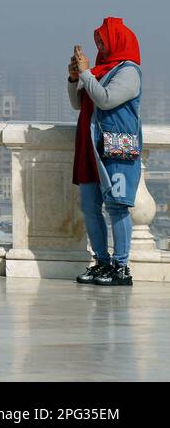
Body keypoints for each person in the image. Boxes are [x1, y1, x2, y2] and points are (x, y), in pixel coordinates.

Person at [67, 16, 143, 286]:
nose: (99, 45)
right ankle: (102, 262)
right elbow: (79, 103)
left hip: (116, 148)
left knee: (117, 206)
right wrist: (75, 77)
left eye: (103, 40)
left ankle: (121, 267)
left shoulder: (128, 71)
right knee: (90, 206)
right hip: (90, 145)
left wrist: (87, 74)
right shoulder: (99, 70)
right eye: (97, 40)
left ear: (117, 40)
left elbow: (106, 99)